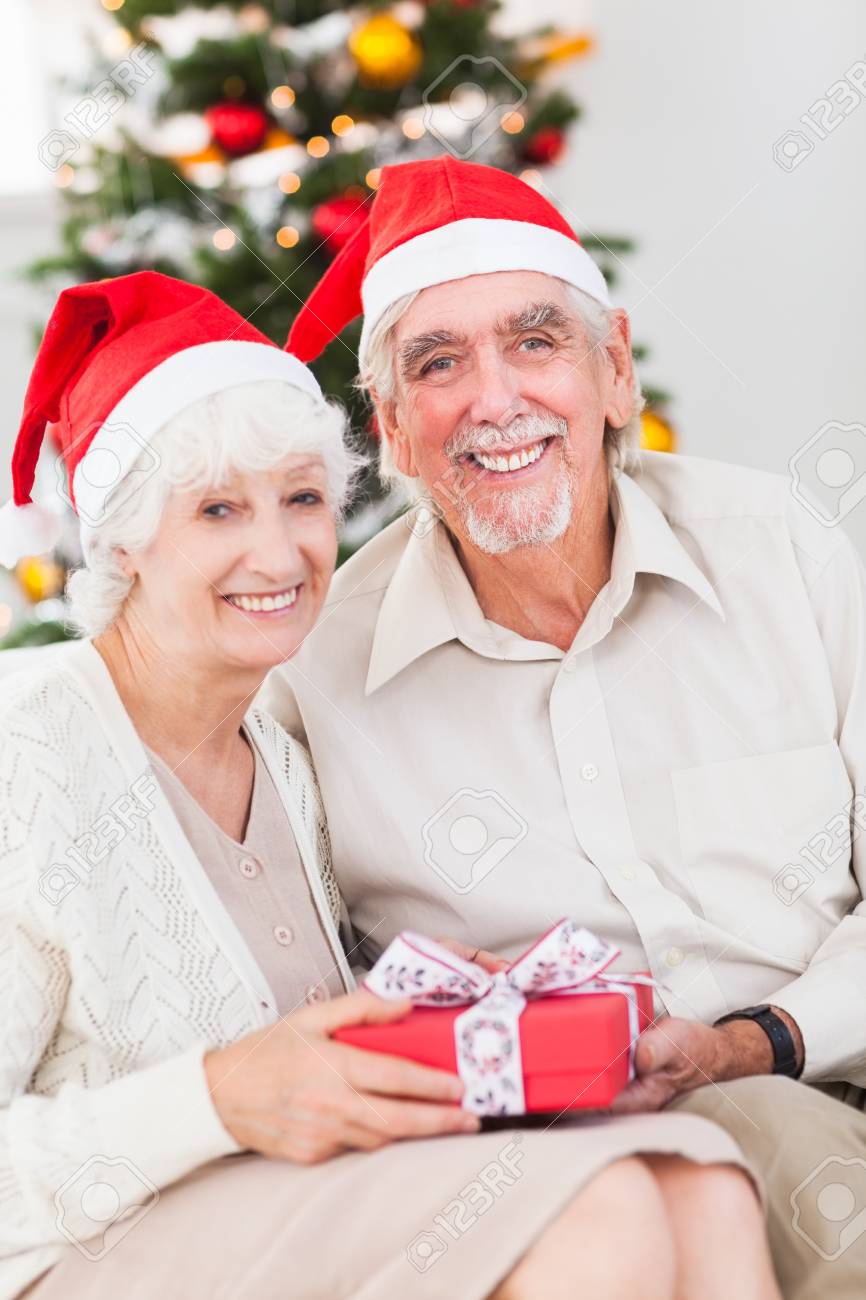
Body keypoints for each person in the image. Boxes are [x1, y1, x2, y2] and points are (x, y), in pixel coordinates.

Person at [0, 272, 778, 1300]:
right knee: (606, 1205)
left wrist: (434, 1001)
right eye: (219, 510)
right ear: (123, 540)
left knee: (699, 1178)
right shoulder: (31, 747)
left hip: (281, 1204)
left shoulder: (275, 750)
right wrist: (215, 1099)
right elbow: (236, 1087)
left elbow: (296, 1061)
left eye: (303, 500)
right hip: (94, 1252)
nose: (277, 552)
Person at [261, 153, 866, 1298]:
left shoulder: (778, 550)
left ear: (614, 371)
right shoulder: (313, 668)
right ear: (390, 427)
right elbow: (305, 1000)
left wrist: (758, 1039)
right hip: (565, 1160)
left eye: (534, 342)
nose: (494, 400)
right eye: (438, 365)